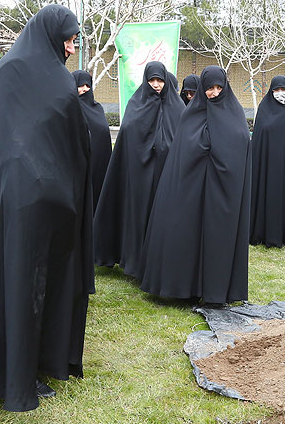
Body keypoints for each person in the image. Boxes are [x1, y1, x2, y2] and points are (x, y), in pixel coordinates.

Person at [0, 4, 93, 412]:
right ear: (51, 35)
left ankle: (6, 365)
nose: (71, 47)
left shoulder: (13, 71)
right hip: (31, 198)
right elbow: (62, 142)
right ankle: (16, 374)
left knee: (10, 279)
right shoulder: (38, 77)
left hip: (14, 194)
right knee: (23, 282)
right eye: (68, 39)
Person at [140, 66, 251, 304]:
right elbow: (183, 152)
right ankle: (183, 288)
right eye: (209, 88)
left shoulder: (235, 113)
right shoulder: (191, 115)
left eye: (219, 87)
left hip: (221, 192)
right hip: (191, 190)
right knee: (185, 233)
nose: (214, 92)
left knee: (217, 238)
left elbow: (240, 142)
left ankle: (215, 291)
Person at [93, 61, 184, 279]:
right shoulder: (136, 105)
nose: (156, 85)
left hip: (165, 176)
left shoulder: (177, 108)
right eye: (152, 80)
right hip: (138, 176)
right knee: (137, 216)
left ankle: (156, 263)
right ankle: (133, 262)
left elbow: (181, 140)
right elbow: (128, 134)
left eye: (160, 80)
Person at [250, 75, 285, 247]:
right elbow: (258, 139)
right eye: (277, 90)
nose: (280, 93)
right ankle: (262, 232)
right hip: (266, 165)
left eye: (283, 90)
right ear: (271, 91)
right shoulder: (264, 110)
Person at [72, 69, 112, 212]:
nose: (85, 89)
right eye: (80, 85)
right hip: (79, 167)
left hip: (99, 165)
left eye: (87, 85)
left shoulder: (97, 108)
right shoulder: (70, 109)